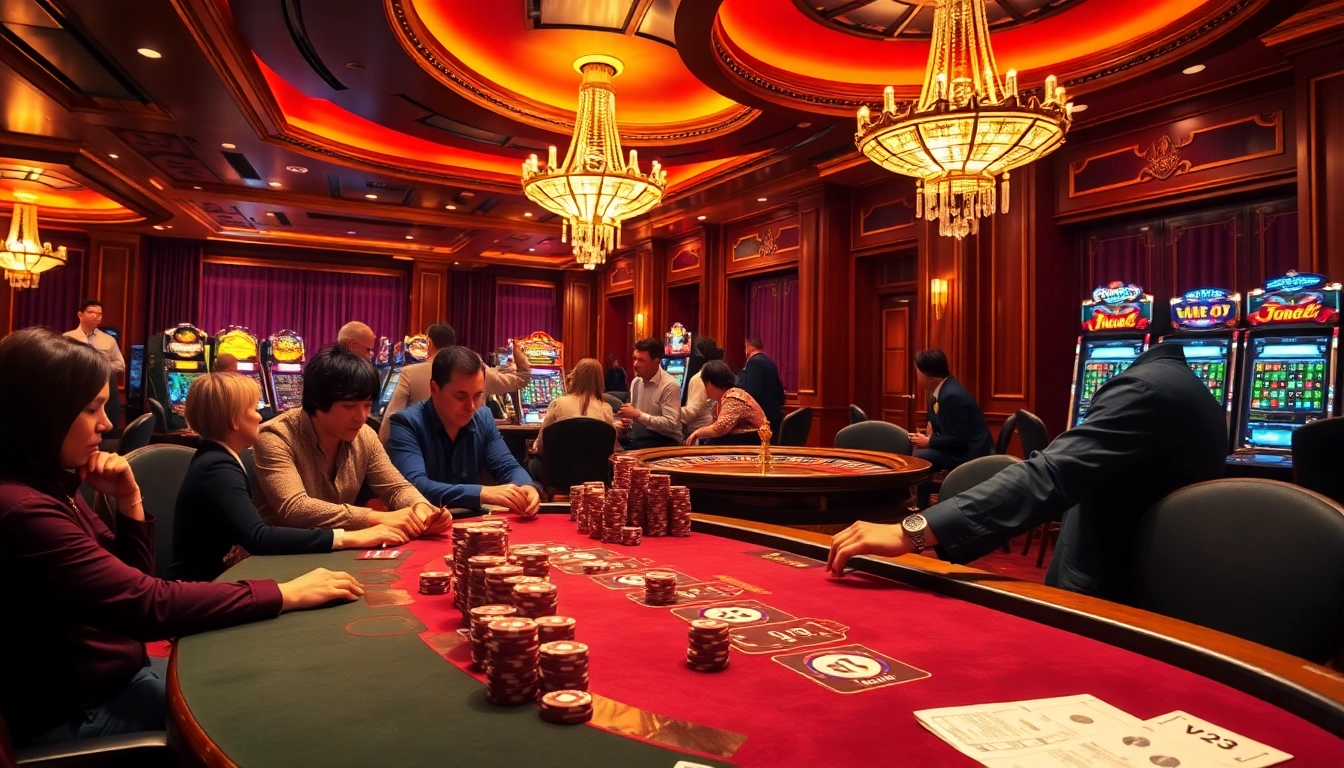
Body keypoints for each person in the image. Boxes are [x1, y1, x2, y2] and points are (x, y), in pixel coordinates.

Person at [0, 329, 364, 748]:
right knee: (273, 715)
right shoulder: (23, 509)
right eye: (90, 409)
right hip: (76, 710)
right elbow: (146, 604)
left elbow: (127, 583)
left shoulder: (49, 484)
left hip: (117, 675)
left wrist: (130, 501)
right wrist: (285, 593)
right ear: (42, 413)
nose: (106, 423)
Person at [827, 344, 1228, 605]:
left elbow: (1048, 475)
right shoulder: (1189, 386)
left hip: (1112, 594)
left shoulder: (1144, 387)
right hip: (1156, 579)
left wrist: (911, 530)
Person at [171, 373, 407, 582]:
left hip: (217, 580)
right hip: (200, 593)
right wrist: (353, 537)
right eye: (254, 409)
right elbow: (259, 537)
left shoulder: (216, 460)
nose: (260, 418)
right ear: (234, 420)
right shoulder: (217, 468)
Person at [252, 344, 443, 535]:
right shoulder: (275, 437)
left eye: (367, 405)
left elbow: (396, 488)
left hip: (336, 549)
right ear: (317, 402)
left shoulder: (364, 435)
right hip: (275, 557)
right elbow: (295, 509)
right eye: (349, 406)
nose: (361, 417)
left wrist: (422, 509)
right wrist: (376, 517)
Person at [387, 346, 541, 516]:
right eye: (460, 397)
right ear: (434, 389)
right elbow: (416, 487)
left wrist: (525, 487)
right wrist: (482, 493)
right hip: (423, 527)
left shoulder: (483, 418)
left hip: (471, 528)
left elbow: (509, 468)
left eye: (478, 395)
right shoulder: (406, 424)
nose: (471, 407)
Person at [378, 324, 530, 443]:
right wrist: (518, 352)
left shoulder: (410, 374)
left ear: (429, 343)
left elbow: (391, 419)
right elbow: (521, 379)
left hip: (422, 453)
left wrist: (381, 455)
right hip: (470, 456)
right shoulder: (480, 372)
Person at [909, 349, 994, 507]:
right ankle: (921, 501)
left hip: (969, 453)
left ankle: (920, 507)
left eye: (917, 371)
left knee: (919, 457)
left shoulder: (951, 395)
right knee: (914, 450)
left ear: (929, 374)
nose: (917, 376)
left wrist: (929, 442)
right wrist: (929, 434)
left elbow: (959, 441)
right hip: (960, 449)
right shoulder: (942, 390)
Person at [527, 358, 615, 479]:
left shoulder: (558, 403)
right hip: (594, 476)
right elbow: (611, 451)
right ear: (600, 381)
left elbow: (542, 447)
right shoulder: (606, 408)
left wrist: (533, 447)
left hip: (557, 475)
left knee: (531, 462)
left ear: (575, 376)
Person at [63, 299, 124, 429]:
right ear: (80, 314)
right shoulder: (67, 338)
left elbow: (120, 365)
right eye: (91, 312)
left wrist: (99, 365)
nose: (96, 317)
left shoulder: (108, 340)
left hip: (103, 391)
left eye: (99, 314)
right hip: (76, 391)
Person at [616, 338, 682, 449]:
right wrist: (629, 423)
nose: (635, 364)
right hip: (642, 439)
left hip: (666, 441)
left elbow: (671, 424)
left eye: (641, 360)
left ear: (656, 361)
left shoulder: (669, 385)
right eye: (634, 359)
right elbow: (638, 418)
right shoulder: (636, 382)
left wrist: (638, 415)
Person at [685, 361, 768, 445]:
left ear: (710, 383)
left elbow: (720, 429)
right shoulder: (721, 400)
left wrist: (697, 432)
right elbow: (712, 426)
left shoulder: (733, 397)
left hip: (751, 446)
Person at [738, 337, 785, 433]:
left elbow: (752, 392)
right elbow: (780, 392)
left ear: (750, 346)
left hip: (761, 419)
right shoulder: (770, 362)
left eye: (745, 347)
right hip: (774, 416)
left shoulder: (753, 362)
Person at [680, 337, 722, 435]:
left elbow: (691, 413)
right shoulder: (717, 371)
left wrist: (670, 412)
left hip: (699, 432)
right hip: (711, 428)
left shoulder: (700, 378)